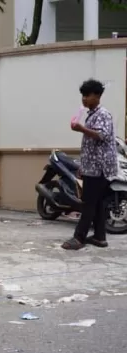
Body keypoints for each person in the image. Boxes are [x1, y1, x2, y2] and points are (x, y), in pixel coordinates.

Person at [62, 79, 118, 250]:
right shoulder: (92, 114)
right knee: (99, 203)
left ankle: (79, 238)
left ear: (98, 96)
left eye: (87, 95)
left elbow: (101, 136)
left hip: (99, 168)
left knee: (88, 203)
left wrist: (81, 129)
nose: (84, 99)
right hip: (92, 167)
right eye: (83, 96)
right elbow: (90, 146)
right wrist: (82, 166)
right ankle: (100, 237)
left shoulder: (103, 114)